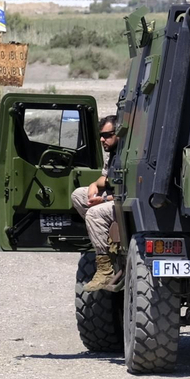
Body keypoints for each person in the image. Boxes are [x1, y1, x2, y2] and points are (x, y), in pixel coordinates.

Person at [72, 114, 122, 292]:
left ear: (119, 133)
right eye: (101, 135)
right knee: (79, 195)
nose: (103, 139)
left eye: (107, 135)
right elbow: (106, 178)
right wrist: (94, 185)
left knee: (94, 213)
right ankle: (104, 237)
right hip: (113, 200)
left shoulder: (128, 153)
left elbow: (128, 191)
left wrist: (104, 199)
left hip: (124, 203)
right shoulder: (113, 153)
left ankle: (105, 268)